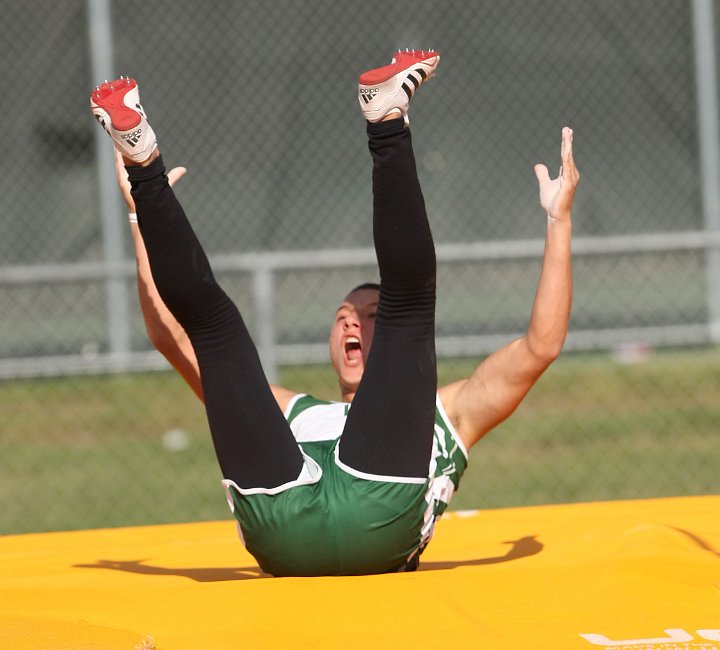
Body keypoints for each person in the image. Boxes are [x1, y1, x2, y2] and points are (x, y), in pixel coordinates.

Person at [91, 50, 579, 576]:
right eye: (344, 314)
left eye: (369, 315)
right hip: (310, 521)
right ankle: (146, 163)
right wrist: (142, 218)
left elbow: (541, 346)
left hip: (304, 527)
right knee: (216, 330)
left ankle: (151, 167)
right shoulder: (290, 411)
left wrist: (559, 221)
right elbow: (172, 337)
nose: (352, 322)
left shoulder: (450, 412)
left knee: (394, 307)